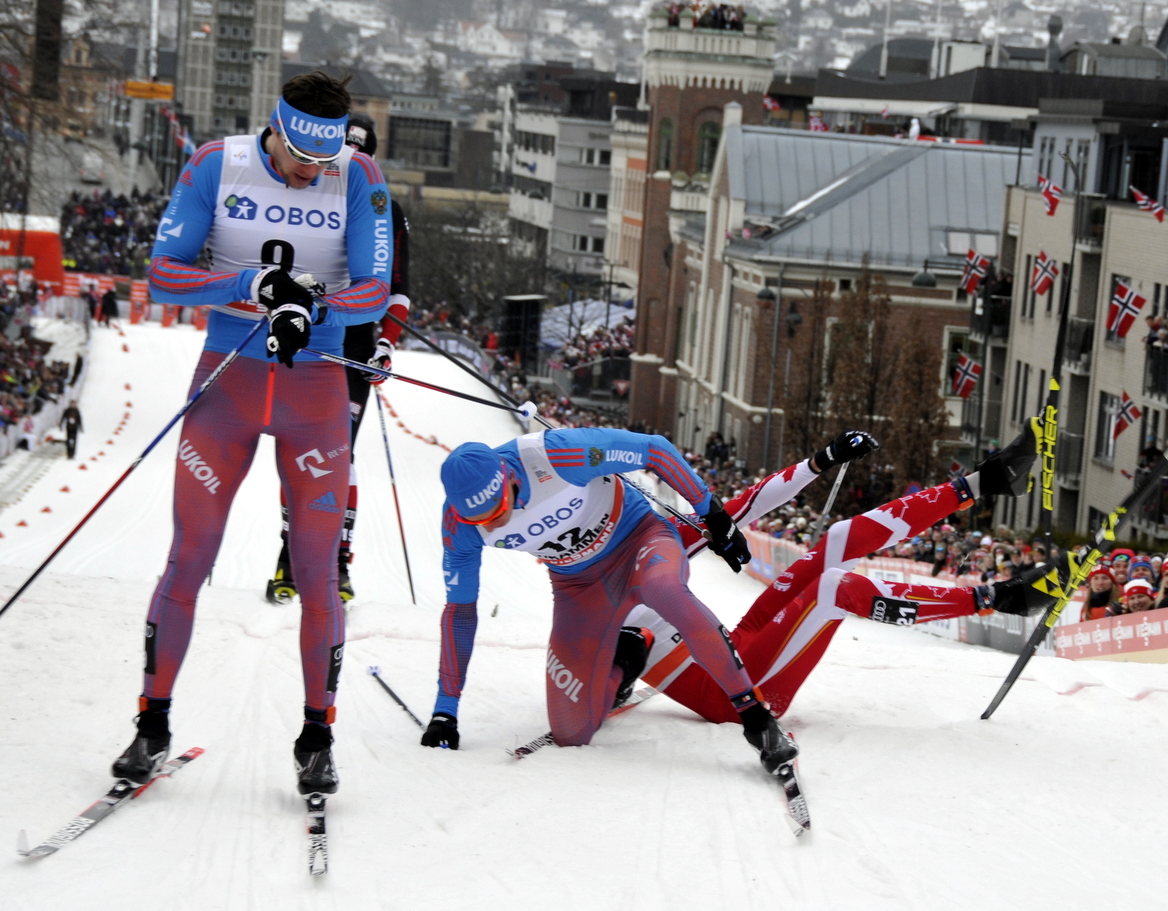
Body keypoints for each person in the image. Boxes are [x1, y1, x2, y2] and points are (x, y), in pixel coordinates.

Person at [117, 71, 393, 800]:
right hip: (228, 382)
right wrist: (248, 289)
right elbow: (164, 276)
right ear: (276, 131)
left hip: (314, 392)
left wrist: (314, 301)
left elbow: (375, 284)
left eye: (322, 163)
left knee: (315, 573)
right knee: (188, 558)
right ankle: (151, 724)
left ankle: (316, 735)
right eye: (302, 161)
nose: (312, 174)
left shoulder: (356, 175)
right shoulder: (218, 163)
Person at [606, 425, 1055, 726]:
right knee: (832, 590)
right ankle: (999, 598)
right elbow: (613, 653)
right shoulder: (599, 584)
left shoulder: (659, 540)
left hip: (739, 644)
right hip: (737, 692)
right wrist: (618, 674)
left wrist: (824, 458)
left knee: (839, 538)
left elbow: (752, 502)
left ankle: (982, 482)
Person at [430, 425, 802, 776]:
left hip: (640, 541)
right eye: (479, 520)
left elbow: (655, 450)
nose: (492, 525)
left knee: (664, 589)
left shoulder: (556, 455)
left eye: (497, 512)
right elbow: (460, 612)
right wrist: (445, 712)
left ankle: (756, 718)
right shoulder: (459, 525)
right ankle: (628, 655)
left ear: (509, 478)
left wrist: (714, 515)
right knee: (570, 731)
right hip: (578, 585)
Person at [266, 112, 410, 605]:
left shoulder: (384, 205)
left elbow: (399, 288)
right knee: (298, 455)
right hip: (300, 341)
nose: (352, 160)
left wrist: (387, 342)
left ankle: (335, 564)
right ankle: (291, 556)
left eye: (362, 152)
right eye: (344, 150)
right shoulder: (302, 192)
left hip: (353, 348)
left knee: (336, 455)